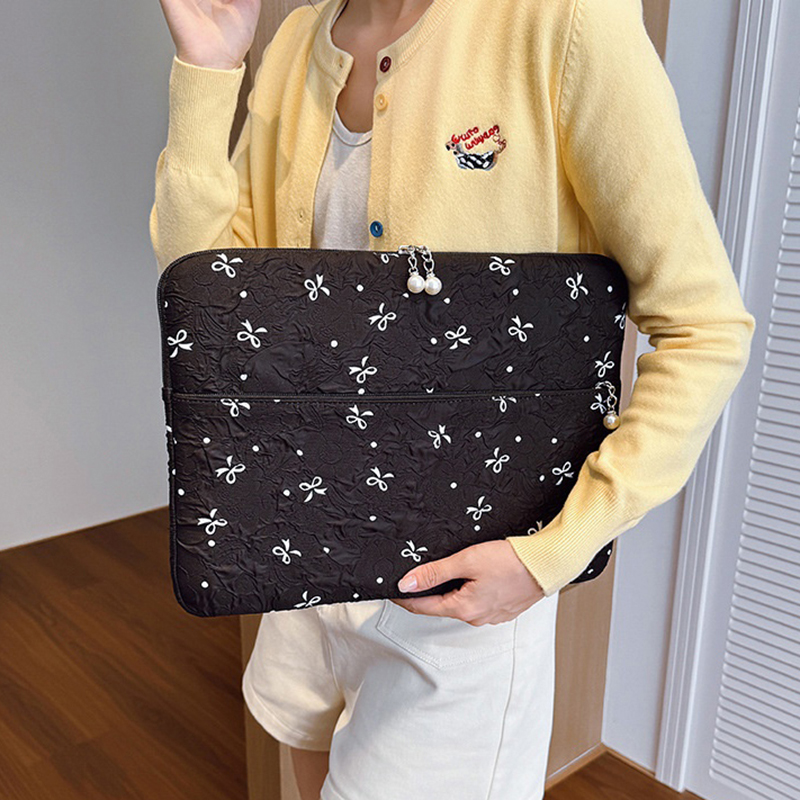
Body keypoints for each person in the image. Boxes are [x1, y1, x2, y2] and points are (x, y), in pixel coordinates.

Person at [150, 0, 756, 798]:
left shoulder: (566, 21)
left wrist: (551, 556)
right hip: (302, 552)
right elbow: (213, 306)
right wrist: (210, 68)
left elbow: (705, 328)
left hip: (464, 597)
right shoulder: (297, 39)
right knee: (305, 757)